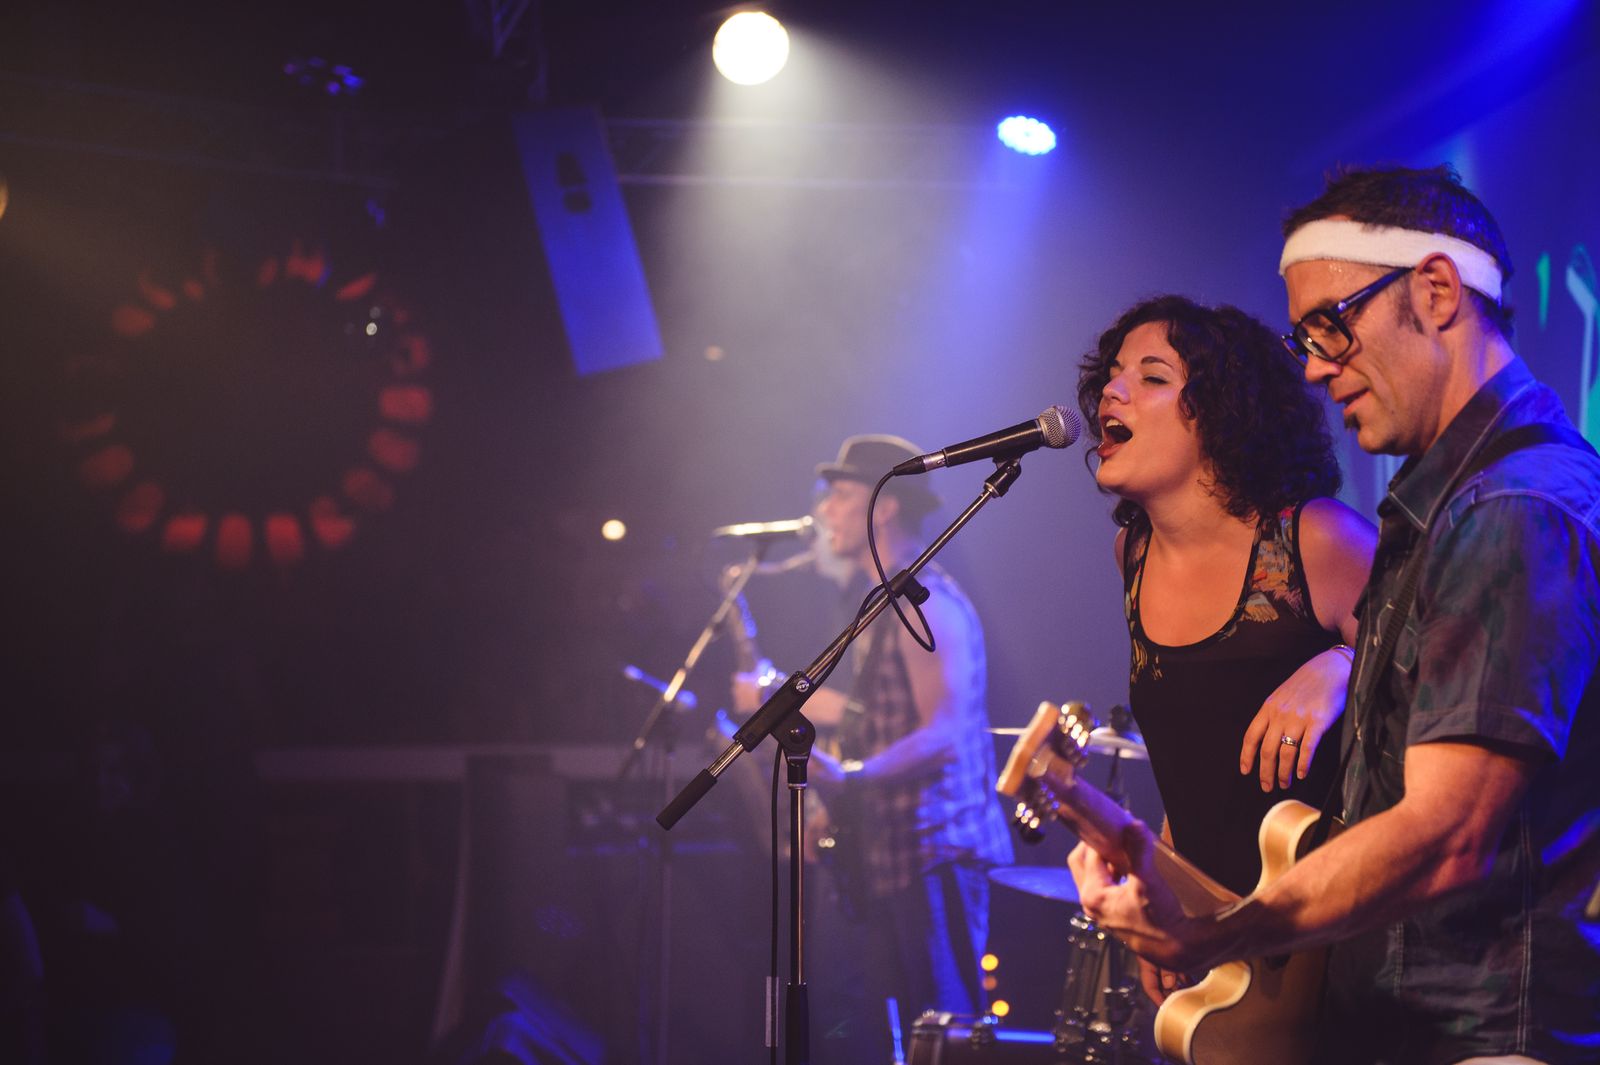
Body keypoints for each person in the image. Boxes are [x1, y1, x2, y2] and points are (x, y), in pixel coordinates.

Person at [1068, 165, 1600, 1063]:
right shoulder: (1448, 503)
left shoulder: (1511, 506)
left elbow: (1446, 837)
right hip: (1395, 1024)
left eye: (1332, 324)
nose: (1315, 366)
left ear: (1436, 292)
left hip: (1480, 1036)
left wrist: (1222, 934)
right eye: (1306, 335)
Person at [1075, 295, 1377, 1002]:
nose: (1113, 391)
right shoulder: (1132, 555)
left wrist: (1345, 665)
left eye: (1152, 377)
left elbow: (1442, 672)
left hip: (1336, 943)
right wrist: (1170, 890)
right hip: (1221, 942)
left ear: (1222, 414)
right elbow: (1201, 757)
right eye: (1113, 375)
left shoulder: (1317, 540)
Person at [730, 434, 1014, 1063]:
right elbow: (876, 716)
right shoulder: (879, 601)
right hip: (890, 850)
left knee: (943, 1034)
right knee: (887, 1034)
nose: (824, 510)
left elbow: (946, 733)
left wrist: (852, 777)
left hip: (934, 849)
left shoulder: (930, 603)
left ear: (883, 507)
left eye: (838, 494)